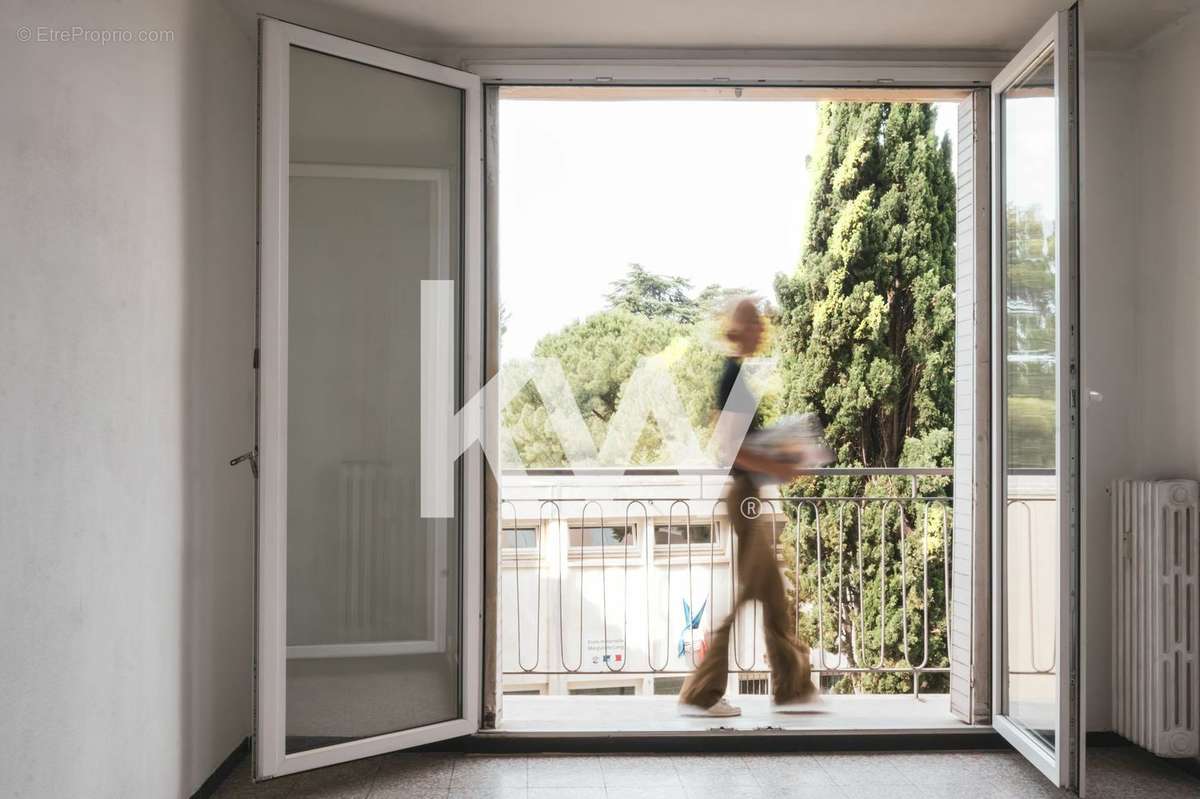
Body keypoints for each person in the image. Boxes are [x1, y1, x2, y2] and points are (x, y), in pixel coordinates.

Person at [677, 298, 822, 717]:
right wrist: (780, 464)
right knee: (745, 596)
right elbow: (731, 449)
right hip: (742, 496)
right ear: (739, 329)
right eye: (754, 323)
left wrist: (778, 459)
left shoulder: (737, 376)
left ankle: (792, 687)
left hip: (748, 496)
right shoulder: (732, 377)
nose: (762, 329)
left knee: (773, 595)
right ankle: (700, 693)